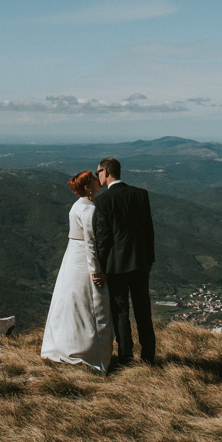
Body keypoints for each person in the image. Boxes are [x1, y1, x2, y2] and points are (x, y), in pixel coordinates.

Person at [40, 170, 114, 374]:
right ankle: (90, 353)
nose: (98, 180)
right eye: (93, 179)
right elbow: (91, 241)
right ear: (88, 187)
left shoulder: (77, 206)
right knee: (90, 303)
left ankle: (65, 346)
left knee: (71, 301)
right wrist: (97, 270)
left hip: (72, 256)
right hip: (83, 258)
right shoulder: (89, 210)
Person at [92, 157, 156, 367]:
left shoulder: (103, 201)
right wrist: (149, 260)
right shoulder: (140, 195)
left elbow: (103, 239)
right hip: (140, 263)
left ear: (106, 172)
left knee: (121, 311)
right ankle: (148, 356)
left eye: (98, 172)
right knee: (143, 310)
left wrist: (100, 268)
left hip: (116, 266)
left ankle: (126, 357)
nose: (97, 176)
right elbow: (149, 231)